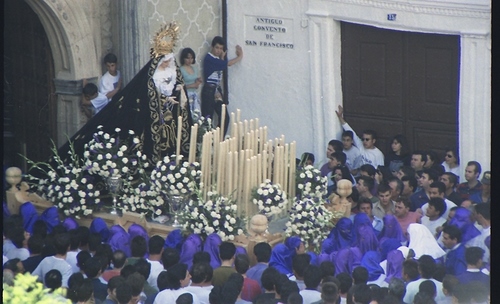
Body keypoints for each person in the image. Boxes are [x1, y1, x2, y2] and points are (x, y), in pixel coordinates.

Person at [57, 22, 192, 164]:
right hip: (153, 122)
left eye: (170, 62)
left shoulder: (174, 75)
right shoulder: (151, 79)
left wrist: (179, 93)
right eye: (165, 62)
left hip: (170, 121)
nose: (168, 65)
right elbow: (148, 99)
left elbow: (180, 95)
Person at [201, 36, 243, 136]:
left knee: (225, 117)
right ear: (212, 47)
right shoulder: (209, 58)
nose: (219, 50)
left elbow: (222, 65)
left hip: (216, 91)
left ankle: (217, 139)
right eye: (217, 48)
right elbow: (227, 64)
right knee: (208, 119)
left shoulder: (218, 59)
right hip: (209, 91)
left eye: (221, 48)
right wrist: (240, 56)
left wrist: (223, 58)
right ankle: (207, 142)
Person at [179, 48, 203, 118]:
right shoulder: (181, 69)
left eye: (192, 58)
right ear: (183, 58)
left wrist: (198, 81)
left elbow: (196, 85)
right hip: (186, 95)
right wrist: (192, 85)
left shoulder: (194, 68)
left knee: (197, 115)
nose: (190, 60)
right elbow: (180, 86)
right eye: (188, 58)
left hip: (194, 94)